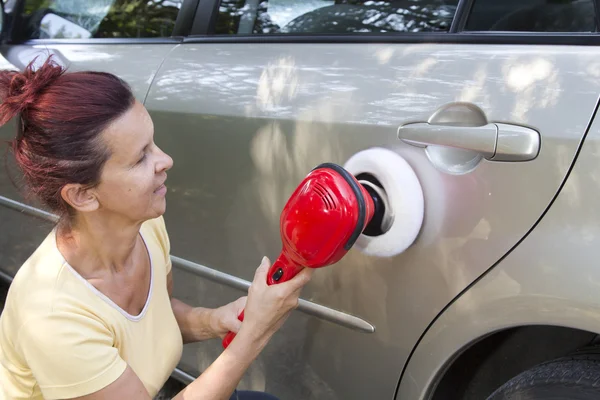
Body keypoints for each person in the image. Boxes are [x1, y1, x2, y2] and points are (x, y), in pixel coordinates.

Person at [0, 56, 313, 400]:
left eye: (153, 143)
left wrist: (214, 320)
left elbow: (157, 316)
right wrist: (255, 333)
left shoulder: (146, 227)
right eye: (140, 157)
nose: (166, 161)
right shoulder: (53, 316)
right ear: (82, 195)